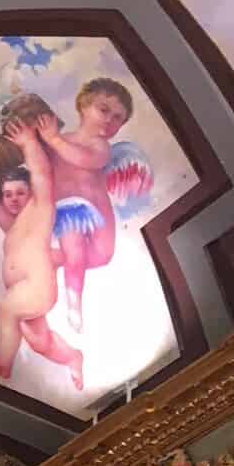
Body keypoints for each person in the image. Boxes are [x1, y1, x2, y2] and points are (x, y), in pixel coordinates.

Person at [0, 117, 83, 392]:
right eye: (8, 194)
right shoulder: (11, 226)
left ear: (31, 193)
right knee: (39, 342)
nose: (13, 199)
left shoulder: (40, 210)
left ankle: (4, 363)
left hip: (36, 288)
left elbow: (41, 175)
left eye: (19, 193)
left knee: (7, 310)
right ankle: (73, 356)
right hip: (24, 289)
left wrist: (28, 144)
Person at [35, 77, 144, 335]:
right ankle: (74, 304)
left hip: (95, 212)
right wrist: (43, 141)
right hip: (67, 210)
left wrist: (53, 141)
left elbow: (86, 160)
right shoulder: (58, 139)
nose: (109, 120)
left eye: (118, 118)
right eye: (104, 110)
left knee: (102, 256)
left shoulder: (99, 146)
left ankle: (53, 260)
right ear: (83, 106)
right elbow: (40, 167)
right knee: (75, 256)